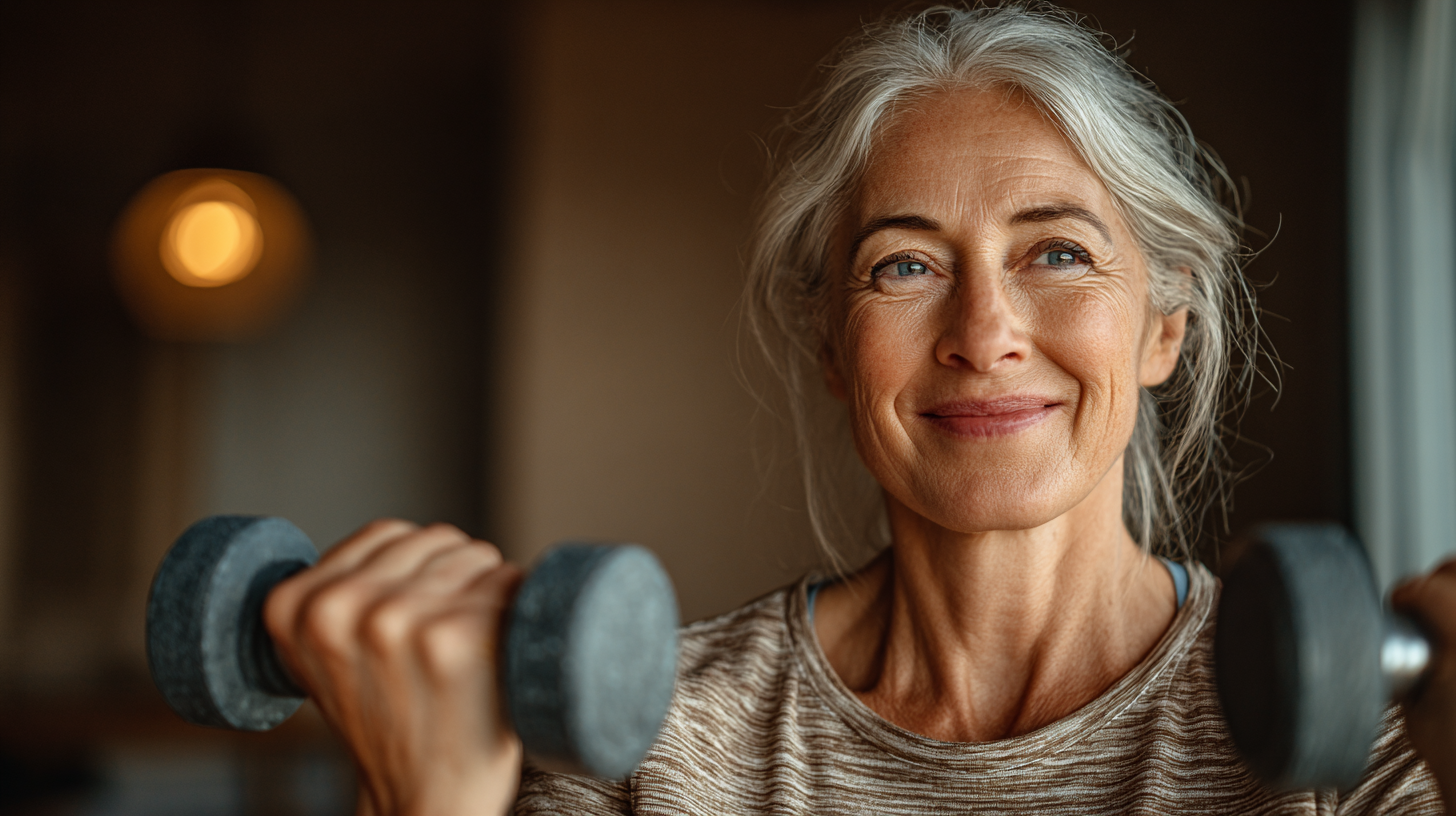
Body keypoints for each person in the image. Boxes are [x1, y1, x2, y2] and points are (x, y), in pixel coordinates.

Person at [260, 4, 1456, 814]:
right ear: (833, 344)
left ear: (1163, 328)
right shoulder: (649, 746)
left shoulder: (1366, 744)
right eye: (904, 265)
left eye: (1056, 253)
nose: (984, 332)